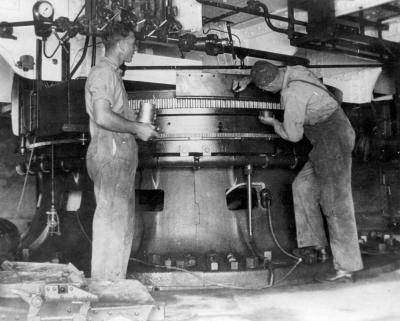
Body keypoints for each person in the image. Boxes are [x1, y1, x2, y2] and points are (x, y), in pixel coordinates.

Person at [233, 61, 363, 282]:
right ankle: (315, 246)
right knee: (302, 187)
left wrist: (273, 122)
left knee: (335, 202)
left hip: (331, 140)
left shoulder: (291, 95)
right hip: (330, 137)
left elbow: (293, 136)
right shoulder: (294, 71)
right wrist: (248, 79)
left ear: (266, 87)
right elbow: (278, 69)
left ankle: (346, 267)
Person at [85, 22, 158, 280]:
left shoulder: (113, 74)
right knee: (112, 224)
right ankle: (106, 288)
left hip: (117, 155)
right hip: (111, 154)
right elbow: (103, 116)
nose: (135, 48)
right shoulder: (103, 73)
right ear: (122, 44)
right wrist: (137, 128)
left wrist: (135, 125)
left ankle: (113, 285)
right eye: (134, 43)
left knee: (120, 224)